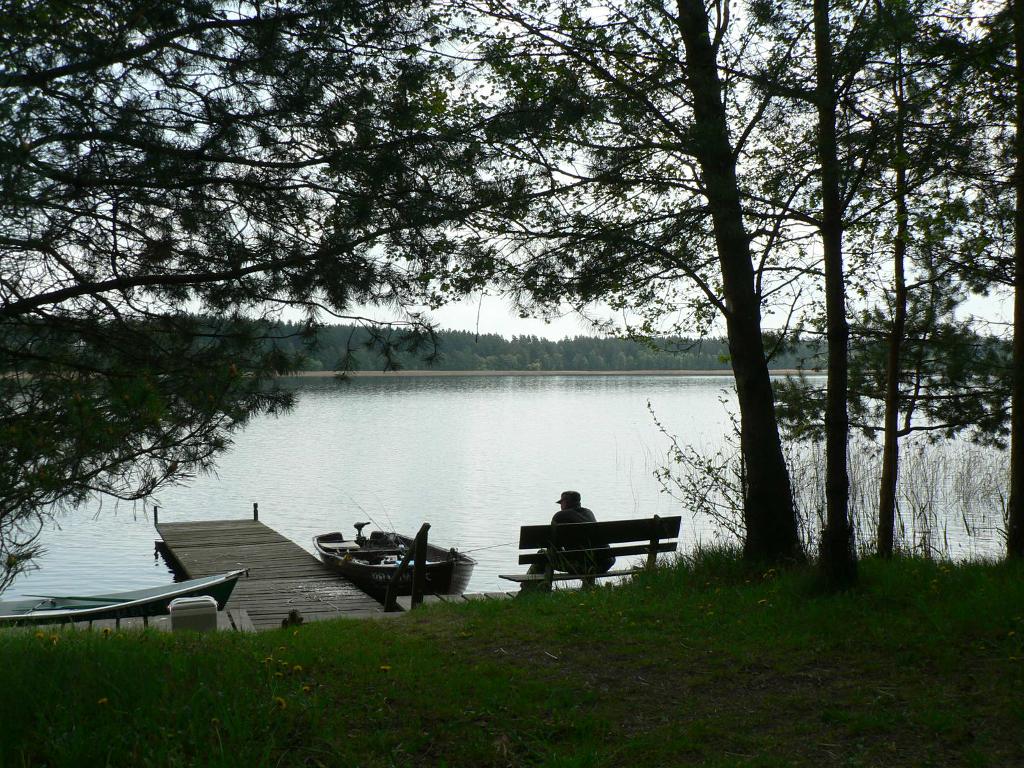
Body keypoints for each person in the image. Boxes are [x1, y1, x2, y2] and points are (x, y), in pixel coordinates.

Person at [522, 491, 615, 591]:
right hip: (605, 562)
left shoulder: (559, 516)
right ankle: (589, 580)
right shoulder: (589, 513)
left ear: (565, 503)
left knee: (542, 555)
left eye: (561, 503)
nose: (560, 506)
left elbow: (553, 546)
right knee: (583, 555)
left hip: (583, 566)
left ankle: (527, 589)